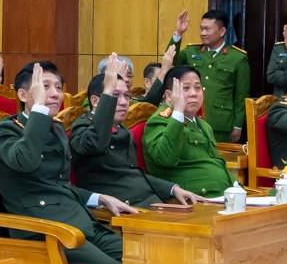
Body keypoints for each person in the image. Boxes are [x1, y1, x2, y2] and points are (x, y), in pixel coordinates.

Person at [0, 61, 137, 264]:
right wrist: (41, 112)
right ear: (22, 94)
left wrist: (98, 198)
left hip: (76, 218)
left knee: (143, 262)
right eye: (45, 87)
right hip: (45, 229)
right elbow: (26, 161)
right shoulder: (7, 129)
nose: (55, 93)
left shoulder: (56, 127)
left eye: (58, 87)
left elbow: (60, 183)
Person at [70, 54, 200, 208]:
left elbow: (134, 174)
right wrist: (108, 91)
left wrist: (172, 188)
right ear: (95, 101)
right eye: (115, 95)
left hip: (149, 201)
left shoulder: (123, 129)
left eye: (127, 96)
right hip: (121, 209)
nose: (124, 102)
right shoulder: (83, 126)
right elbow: (96, 143)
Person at [142, 66, 234, 196]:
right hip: (192, 200)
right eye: (185, 88)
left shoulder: (203, 125)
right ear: (169, 96)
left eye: (197, 88)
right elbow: (165, 158)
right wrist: (178, 111)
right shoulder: (159, 121)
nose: (193, 93)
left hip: (222, 194)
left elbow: (216, 163)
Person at [167, 9, 250, 142]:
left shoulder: (237, 58)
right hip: (191, 118)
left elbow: (241, 96)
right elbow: (170, 59)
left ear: (222, 31)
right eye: (201, 29)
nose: (202, 33)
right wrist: (178, 33)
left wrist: (238, 126)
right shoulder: (191, 51)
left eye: (207, 29)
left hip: (219, 123)